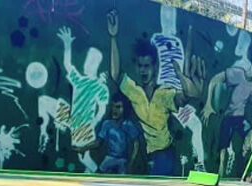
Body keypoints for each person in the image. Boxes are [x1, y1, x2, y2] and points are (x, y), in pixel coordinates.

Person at [107, 9, 204, 176]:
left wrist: (184, 79)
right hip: (147, 154)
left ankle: (199, 163)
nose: (143, 70)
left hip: (164, 154)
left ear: (155, 67)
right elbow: (115, 75)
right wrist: (113, 37)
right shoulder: (134, 91)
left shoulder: (164, 94)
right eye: (140, 66)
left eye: (147, 66)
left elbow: (184, 97)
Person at [38, 27, 109, 173]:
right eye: (87, 60)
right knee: (43, 101)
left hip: (83, 125)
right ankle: (43, 133)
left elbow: (101, 110)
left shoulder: (100, 87)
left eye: (91, 61)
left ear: (96, 64)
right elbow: (67, 65)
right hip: (71, 117)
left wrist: (92, 123)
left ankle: (97, 173)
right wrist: (67, 45)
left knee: (83, 158)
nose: (87, 63)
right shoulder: (79, 80)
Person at [202, 42, 252, 177]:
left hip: (240, 120)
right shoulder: (238, 74)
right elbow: (215, 80)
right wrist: (208, 104)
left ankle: (244, 152)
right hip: (228, 118)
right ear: (251, 60)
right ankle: (221, 174)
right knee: (223, 152)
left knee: (251, 131)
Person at [78, 93, 140, 174]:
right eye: (113, 106)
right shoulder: (107, 124)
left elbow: (136, 143)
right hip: (110, 158)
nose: (114, 110)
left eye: (118, 107)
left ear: (125, 109)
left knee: (122, 178)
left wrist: (131, 162)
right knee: (99, 175)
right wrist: (84, 148)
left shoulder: (128, 125)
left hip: (123, 160)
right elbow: (98, 142)